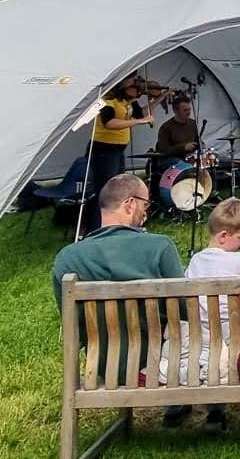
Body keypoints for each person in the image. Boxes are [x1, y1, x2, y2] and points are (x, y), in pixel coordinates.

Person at [53, 173, 187, 416]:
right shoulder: (160, 246)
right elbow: (184, 310)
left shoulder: (67, 258)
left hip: (105, 368)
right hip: (159, 364)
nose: (146, 212)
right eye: (145, 205)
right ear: (130, 204)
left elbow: (74, 326)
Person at [168, 197, 240, 431]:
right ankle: (217, 413)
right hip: (231, 332)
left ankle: (205, 408)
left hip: (199, 331)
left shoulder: (196, 260)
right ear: (224, 236)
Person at [85, 76, 155, 232]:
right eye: (132, 81)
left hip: (117, 151)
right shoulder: (107, 100)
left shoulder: (127, 102)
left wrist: (160, 97)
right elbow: (109, 123)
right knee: (105, 192)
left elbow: (141, 114)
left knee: (118, 191)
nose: (137, 87)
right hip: (104, 150)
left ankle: (114, 226)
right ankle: (95, 229)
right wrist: (140, 121)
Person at [155, 93, 201, 160]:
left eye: (189, 109)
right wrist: (183, 147)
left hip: (190, 158)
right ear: (175, 111)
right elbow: (164, 151)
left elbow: (197, 141)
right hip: (172, 161)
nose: (189, 113)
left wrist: (201, 145)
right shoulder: (166, 128)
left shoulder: (193, 123)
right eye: (185, 110)